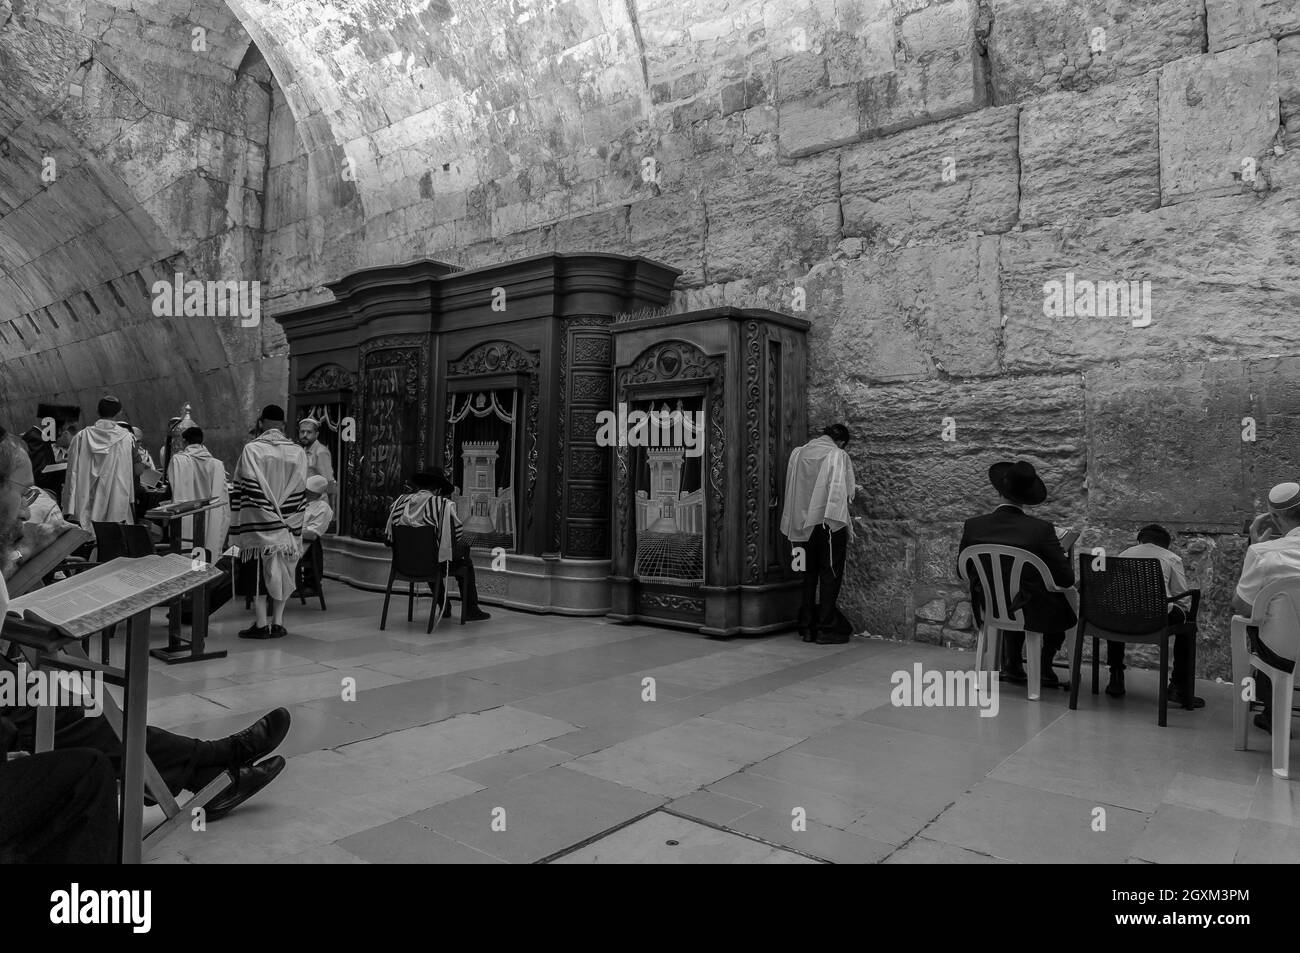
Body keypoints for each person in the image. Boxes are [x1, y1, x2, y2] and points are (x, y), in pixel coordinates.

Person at [0, 429, 288, 828]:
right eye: (25, 493)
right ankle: (211, 761)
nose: (27, 512)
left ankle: (208, 766)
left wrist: (21, 552)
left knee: (83, 709)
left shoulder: (85, 440)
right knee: (81, 715)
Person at [958, 460, 1076, 688]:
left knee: (1017, 595)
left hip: (988, 606)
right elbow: (1065, 579)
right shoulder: (1041, 530)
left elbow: (962, 570)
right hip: (1032, 611)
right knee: (1058, 597)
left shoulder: (973, 526)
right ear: (1028, 497)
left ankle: (1012, 663)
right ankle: (1044, 664)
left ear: (999, 490)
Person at [1106, 524, 1204, 707]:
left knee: (1119, 608)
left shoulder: (1124, 554)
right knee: (1188, 624)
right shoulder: (1171, 558)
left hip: (1120, 618)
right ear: (1165, 545)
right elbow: (1181, 595)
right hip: (1156, 618)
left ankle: (1116, 674)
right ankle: (1177, 686)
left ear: (1140, 541)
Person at [232, 404, 307, 639]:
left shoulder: (252, 450)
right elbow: (300, 488)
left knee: (256, 572)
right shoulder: (298, 452)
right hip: (288, 520)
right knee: (285, 568)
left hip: (259, 521)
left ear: (261, 422)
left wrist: (267, 513)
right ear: (283, 425)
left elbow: (244, 485)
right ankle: (279, 621)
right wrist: (284, 518)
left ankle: (261, 623)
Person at [780, 424, 859, 644]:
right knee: (830, 574)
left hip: (801, 526)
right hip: (827, 524)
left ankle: (806, 626)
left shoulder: (799, 453)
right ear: (841, 442)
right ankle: (826, 628)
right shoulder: (838, 454)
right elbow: (846, 491)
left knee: (807, 574)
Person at [1233, 481, 1300, 734]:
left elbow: (1242, 607)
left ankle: (1272, 712)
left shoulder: (1263, 553)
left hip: (1283, 658)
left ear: (1274, 517)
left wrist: (1253, 545)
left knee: (1262, 628)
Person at [385, 469, 490, 622]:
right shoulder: (442, 506)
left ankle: (443, 605)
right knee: (462, 562)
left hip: (403, 565)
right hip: (430, 565)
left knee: (426, 555)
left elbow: (388, 538)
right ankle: (470, 610)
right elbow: (454, 539)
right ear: (438, 489)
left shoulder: (399, 503)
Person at [62, 396, 135, 531]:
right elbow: (126, 473)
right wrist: (130, 499)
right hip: (114, 497)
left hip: (86, 496)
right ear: (119, 412)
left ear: (97, 411)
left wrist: (70, 505)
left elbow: (72, 472)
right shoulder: (125, 438)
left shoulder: (81, 437)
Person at [167, 425, 231, 561]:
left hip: (187, 515)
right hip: (210, 517)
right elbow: (224, 499)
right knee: (205, 556)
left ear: (184, 441)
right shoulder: (217, 464)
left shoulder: (178, 460)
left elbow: (173, 489)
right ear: (202, 443)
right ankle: (203, 577)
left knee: (186, 558)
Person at [21, 403, 79, 497]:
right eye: (60, 429)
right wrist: (62, 470)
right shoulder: (36, 440)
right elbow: (39, 476)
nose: (60, 434)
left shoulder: (40, 439)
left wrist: (57, 464)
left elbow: (41, 467)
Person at [295, 474, 332, 598]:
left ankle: (311, 584)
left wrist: (290, 531)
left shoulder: (322, 507)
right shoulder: (300, 503)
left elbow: (312, 534)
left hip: (305, 542)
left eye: (307, 491)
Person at [298, 418, 336, 506]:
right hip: (306, 502)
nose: (305, 435)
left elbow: (329, 482)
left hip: (318, 505)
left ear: (317, 434)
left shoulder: (320, 451)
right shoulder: (303, 450)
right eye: (302, 432)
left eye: (309, 432)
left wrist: (332, 511)